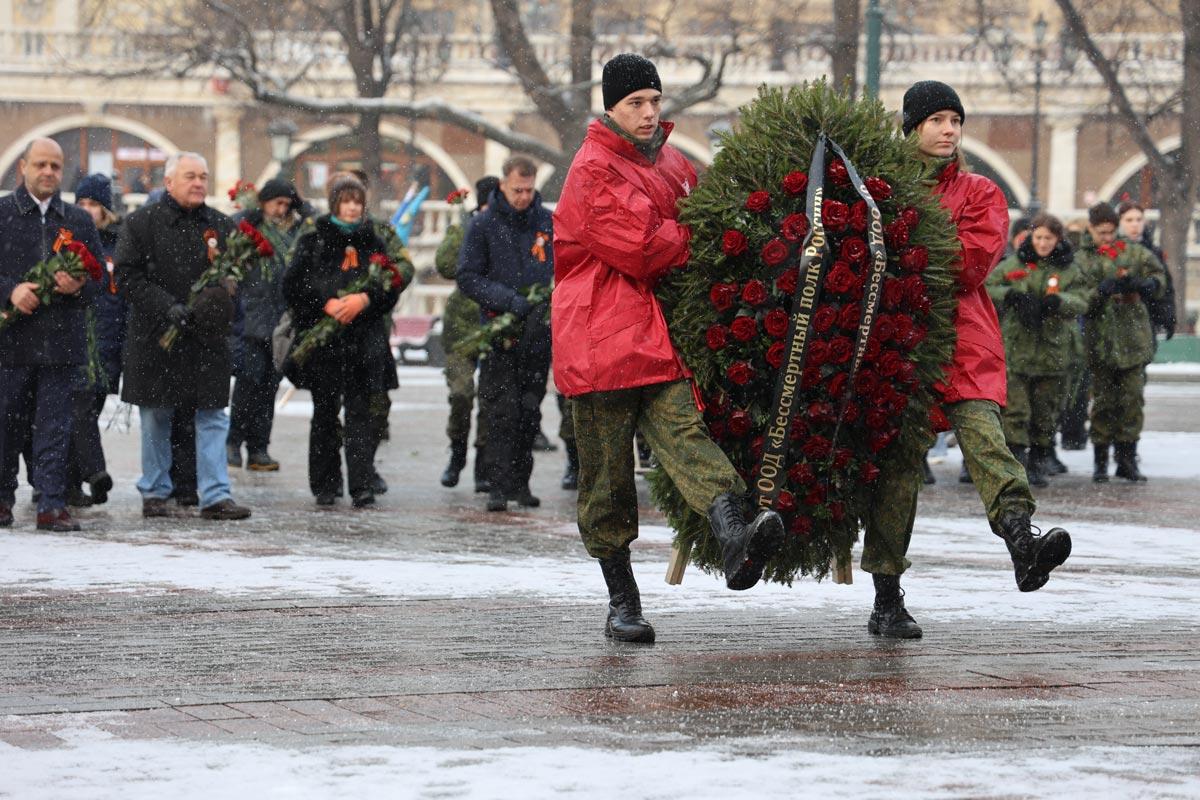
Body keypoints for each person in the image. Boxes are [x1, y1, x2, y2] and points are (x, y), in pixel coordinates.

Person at [552, 53, 785, 644]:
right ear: (611, 107)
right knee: (606, 481)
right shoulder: (591, 170)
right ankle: (622, 601)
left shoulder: (674, 163)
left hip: (653, 335)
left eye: (655, 101)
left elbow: (697, 217)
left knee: (686, 434)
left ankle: (736, 539)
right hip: (600, 335)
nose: (650, 113)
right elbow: (646, 248)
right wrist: (708, 236)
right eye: (637, 103)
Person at [859, 82, 1074, 639]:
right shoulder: (878, 189)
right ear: (912, 127)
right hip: (900, 341)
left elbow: (970, 263)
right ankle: (887, 597)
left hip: (964, 340)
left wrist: (909, 245)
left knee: (985, 438)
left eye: (955, 119)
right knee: (899, 472)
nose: (949, 129)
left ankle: (1022, 541)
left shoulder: (980, 191)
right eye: (936, 119)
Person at [115, 151, 251, 520]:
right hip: (157, 336)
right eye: (190, 176)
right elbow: (126, 277)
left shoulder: (221, 226)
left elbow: (238, 274)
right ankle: (156, 491)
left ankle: (215, 495)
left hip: (206, 340)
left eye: (203, 177)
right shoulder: (141, 224)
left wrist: (222, 294)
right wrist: (166, 306)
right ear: (169, 182)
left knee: (211, 415)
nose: (198, 183)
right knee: (157, 415)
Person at [0, 138, 104, 531]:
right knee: (6, 425)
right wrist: (10, 289)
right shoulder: (3, 214)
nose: (48, 173)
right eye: (40, 164)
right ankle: (1, 499)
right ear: (23, 166)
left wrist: (79, 286)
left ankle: (51, 503)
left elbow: (100, 283)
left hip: (62, 341)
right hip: (12, 340)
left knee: (55, 428)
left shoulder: (77, 220)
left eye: (55, 167)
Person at [282, 173, 401, 507]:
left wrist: (365, 300)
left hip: (363, 343)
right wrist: (326, 302)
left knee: (361, 416)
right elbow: (292, 286)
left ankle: (361, 483)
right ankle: (325, 484)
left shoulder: (373, 242)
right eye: (346, 201)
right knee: (324, 415)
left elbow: (390, 285)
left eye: (357, 202)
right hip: (326, 344)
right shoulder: (314, 240)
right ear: (335, 204)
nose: (351, 208)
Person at [457, 156, 554, 513]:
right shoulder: (483, 225)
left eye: (529, 190)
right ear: (503, 185)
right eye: (517, 190)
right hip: (499, 331)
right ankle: (497, 485)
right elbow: (467, 276)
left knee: (530, 411)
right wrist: (508, 301)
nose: (524, 197)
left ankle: (521, 482)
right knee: (501, 411)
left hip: (538, 331)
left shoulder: (546, 222)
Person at [988, 214, 1088, 485]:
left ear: (1058, 240)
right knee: (1016, 411)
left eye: (1049, 238)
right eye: (1039, 237)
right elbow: (989, 286)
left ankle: (1039, 460)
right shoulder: (1014, 264)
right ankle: (1017, 463)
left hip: (1053, 353)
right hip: (1018, 350)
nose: (1043, 243)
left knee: (1046, 412)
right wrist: (1012, 296)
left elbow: (1083, 300)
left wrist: (1058, 302)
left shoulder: (1069, 270)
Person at [1078, 202, 1166, 483]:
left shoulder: (1133, 252)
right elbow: (1079, 299)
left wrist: (1146, 284)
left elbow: (1158, 276)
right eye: (1101, 232)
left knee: (1131, 401)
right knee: (1103, 403)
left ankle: (1127, 459)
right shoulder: (1082, 259)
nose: (1106, 237)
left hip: (1132, 338)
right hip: (1100, 340)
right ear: (1091, 229)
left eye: (1110, 232)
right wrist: (1099, 293)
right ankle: (1100, 460)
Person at [226, 178, 305, 472]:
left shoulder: (296, 232)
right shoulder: (249, 229)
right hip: (252, 316)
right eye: (277, 202)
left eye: (287, 204)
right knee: (249, 382)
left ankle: (259, 447)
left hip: (282, 320)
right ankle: (232, 442)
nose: (281, 209)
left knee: (270, 385)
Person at [436, 175, 498, 492]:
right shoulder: (465, 229)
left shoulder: (504, 230)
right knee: (461, 395)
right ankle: (456, 454)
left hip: (493, 328)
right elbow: (444, 265)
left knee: (489, 400)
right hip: (461, 331)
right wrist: (464, 235)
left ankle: (483, 465)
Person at [65, 173, 124, 507]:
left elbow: (122, 297)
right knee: (78, 409)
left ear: (106, 210)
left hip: (107, 343)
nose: (87, 210)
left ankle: (71, 485)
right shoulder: (65, 241)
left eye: (94, 205)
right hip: (75, 339)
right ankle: (95, 470)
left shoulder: (118, 244)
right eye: (82, 203)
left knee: (89, 410)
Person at [1118, 201, 1176, 342]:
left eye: (1139, 219)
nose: (1135, 224)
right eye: (1129, 220)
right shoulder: (1112, 250)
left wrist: (1169, 317)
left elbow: (1166, 287)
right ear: (1120, 222)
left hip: (1146, 320)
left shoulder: (1153, 251)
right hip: (1116, 321)